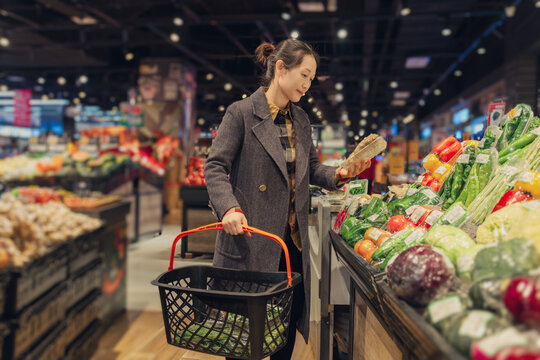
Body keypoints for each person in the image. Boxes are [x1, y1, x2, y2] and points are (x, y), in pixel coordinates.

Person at [204, 39, 370, 359]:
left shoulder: (303, 121)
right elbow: (214, 166)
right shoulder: (241, 113)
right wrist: (228, 208)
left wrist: (340, 174)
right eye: (304, 75)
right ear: (281, 68)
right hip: (251, 241)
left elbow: (314, 168)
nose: (307, 85)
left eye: (311, 79)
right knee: (244, 339)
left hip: (291, 246)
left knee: (283, 332)